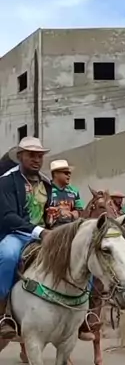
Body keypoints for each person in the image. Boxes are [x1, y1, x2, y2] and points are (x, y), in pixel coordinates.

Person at [0, 137, 52, 339]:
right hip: (16, 234)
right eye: (31, 155)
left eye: (40, 156)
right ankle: (3, 313)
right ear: (20, 156)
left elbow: (45, 213)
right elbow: (8, 216)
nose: (37, 160)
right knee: (7, 255)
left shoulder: (46, 183)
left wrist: (53, 218)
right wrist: (39, 231)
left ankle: (86, 311)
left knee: (78, 251)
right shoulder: (6, 182)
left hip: (43, 233)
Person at [46, 160, 84, 228]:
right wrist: (58, 211)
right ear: (55, 173)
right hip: (52, 229)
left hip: (71, 229)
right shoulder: (46, 190)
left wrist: (75, 213)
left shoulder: (74, 191)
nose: (69, 175)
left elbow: (81, 211)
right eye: (66, 173)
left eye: (70, 173)